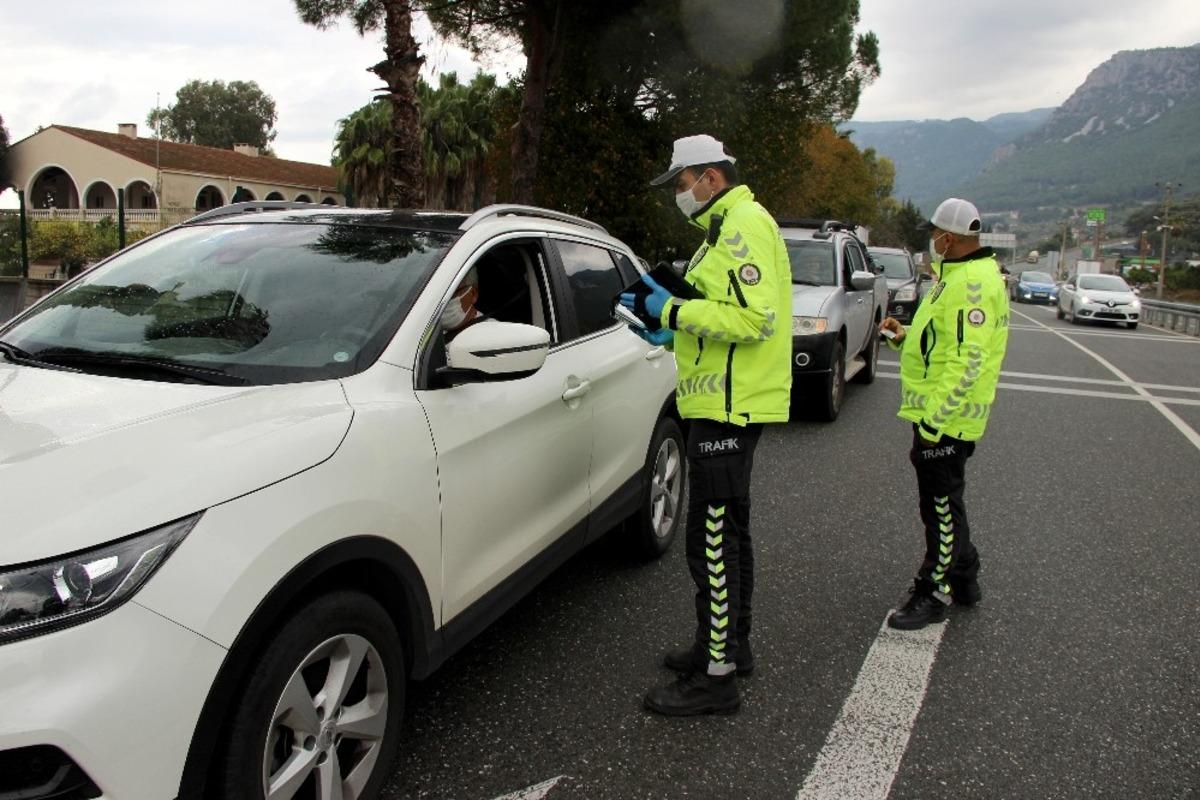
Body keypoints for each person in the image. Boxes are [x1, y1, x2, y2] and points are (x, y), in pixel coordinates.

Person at [620, 134, 792, 715]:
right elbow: (720, 312)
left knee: (711, 541)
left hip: (729, 406)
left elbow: (754, 317)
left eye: (681, 182)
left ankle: (717, 678)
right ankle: (727, 647)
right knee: (731, 533)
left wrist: (669, 310)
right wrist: (676, 327)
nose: (679, 194)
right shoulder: (728, 227)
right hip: (725, 400)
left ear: (710, 177)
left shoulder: (741, 225)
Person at [879, 197, 1010, 630]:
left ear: (949, 239)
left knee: (939, 507)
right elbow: (941, 342)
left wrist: (935, 423)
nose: (930, 239)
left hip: (947, 419)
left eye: (934, 232)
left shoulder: (970, 284)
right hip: (942, 414)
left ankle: (935, 592)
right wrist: (905, 335)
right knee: (945, 501)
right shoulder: (954, 275)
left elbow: (968, 361)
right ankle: (965, 574)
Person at [442, 266, 487, 342]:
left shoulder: (490, 334)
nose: (444, 301)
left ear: (473, 294)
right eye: (440, 296)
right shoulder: (426, 333)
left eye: (452, 293)